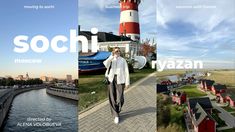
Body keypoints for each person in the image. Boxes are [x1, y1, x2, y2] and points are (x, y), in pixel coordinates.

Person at [103, 47, 130, 124]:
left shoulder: (123, 60)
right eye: (116, 51)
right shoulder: (111, 59)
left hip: (120, 80)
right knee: (112, 97)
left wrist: (127, 83)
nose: (117, 52)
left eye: (118, 51)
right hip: (111, 79)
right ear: (113, 52)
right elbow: (105, 64)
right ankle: (116, 115)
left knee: (120, 98)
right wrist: (112, 56)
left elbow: (126, 71)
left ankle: (117, 110)